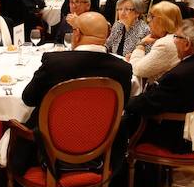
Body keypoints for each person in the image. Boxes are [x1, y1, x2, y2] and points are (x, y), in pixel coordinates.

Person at [10, 12, 133, 175]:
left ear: (77, 34)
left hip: (49, 150)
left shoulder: (55, 63)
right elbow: (120, 106)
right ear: (107, 35)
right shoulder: (123, 69)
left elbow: (28, 98)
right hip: (100, 150)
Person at [124, 18, 194, 152]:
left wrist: (123, 100)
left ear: (187, 44)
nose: (173, 41)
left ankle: (119, 169)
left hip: (180, 136)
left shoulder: (179, 76)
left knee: (121, 123)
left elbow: (149, 104)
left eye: (176, 37)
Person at [129, 0, 182, 83]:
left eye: (152, 17)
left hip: (161, 93)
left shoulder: (166, 44)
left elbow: (137, 70)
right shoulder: (176, 38)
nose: (148, 20)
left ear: (163, 21)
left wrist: (141, 45)